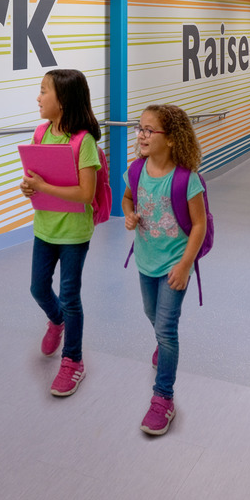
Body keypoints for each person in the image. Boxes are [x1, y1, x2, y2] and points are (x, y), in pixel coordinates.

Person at [121, 104, 207, 436]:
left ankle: (163, 398)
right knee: (151, 313)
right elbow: (128, 199)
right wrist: (129, 215)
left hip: (174, 264)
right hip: (145, 260)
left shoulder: (186, 180)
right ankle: (160, 340)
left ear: (170, 139)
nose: (141, 135)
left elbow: (198, 225)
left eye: (148, 130)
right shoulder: (136, 170)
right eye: (139, 128)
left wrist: (185, 266)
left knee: (167, 329)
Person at [20, 68, 102, 397]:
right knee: (38, 288)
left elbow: (86, 193)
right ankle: (57, 321)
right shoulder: (41, 134)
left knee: (69, 296)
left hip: (74, 233)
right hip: (44, 226)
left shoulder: (84, 142)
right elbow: (34, 179)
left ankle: (73, 361)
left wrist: (43, 186)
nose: (38, 98)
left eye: (44, 91)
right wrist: (29, 186)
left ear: (63, 100)